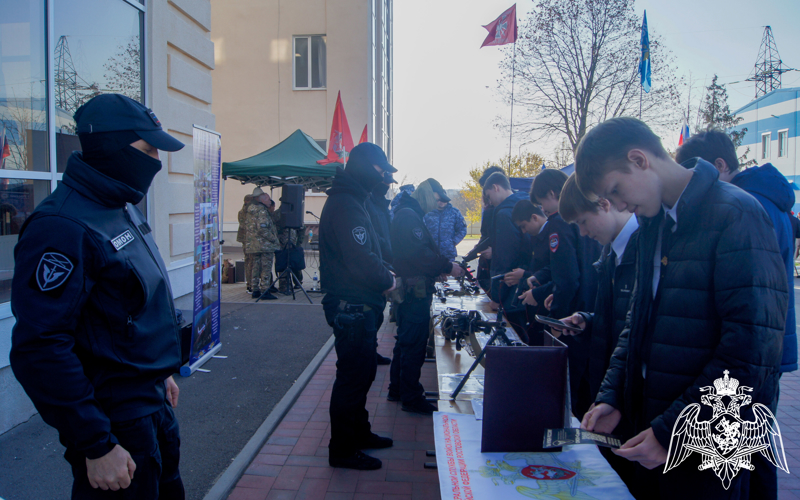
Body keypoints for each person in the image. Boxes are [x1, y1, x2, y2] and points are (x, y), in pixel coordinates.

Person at [576, 117, 787, 498]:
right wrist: (613, 396)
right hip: (657, 435)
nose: (620, 205)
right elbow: (635, 324)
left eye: (616, 190)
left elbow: (751, 353)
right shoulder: (652, 225)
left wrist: (674, 431)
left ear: (639, 159)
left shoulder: (737, 214)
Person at [10, 94, 186, 499]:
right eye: (148, 149)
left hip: (152, 405)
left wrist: (159, 371)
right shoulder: (61, 227)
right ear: (111, 147)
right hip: (114, 425)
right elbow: (40, 347)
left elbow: (131, 303)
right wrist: (95, 444)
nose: (156, 159)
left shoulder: (121, 205)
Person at [676, 130, 797, 376]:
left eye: (695, 174)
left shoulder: (745, 206)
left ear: (720, 165)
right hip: (767, 340)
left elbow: (750, 292)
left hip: (753, 347)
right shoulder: (765, 201)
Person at [550, 175, 639, 484]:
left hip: (628, 396)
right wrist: (588, 320)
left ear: (604, 205)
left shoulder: (643, 248)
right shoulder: (612, 251)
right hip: (610, 385)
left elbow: (637, 329)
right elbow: (616, 318)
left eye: (585, 223)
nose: (584, 233)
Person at [319, 142, 397, 470]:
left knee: (362, 374)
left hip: (358, 305)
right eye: (382, 173)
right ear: (367, 169)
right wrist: (389, 281)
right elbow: (361, 259)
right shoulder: (346, 204)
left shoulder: (353, 200)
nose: (386, 179)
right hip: (352, 306)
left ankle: (358, 433)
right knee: (352, 378)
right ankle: (343, 449)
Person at [388, 187, 464, 414]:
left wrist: (436, 269)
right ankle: (410, 396)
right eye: (438, 200)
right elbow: (420, 254)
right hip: (415, 291)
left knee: (405, 341)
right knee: (413, 343)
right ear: (429, 197)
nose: (438, 205)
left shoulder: (407, 214)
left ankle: (398, 389)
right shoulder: (410, 217)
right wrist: (447, 266)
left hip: (412, 288)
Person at [483, 172, 530, 332]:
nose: (490, 202)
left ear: (496, 187)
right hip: (525, 284)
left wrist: (497, 297)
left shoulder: (503, 214)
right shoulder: (525, 204)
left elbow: (504, 258)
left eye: (489, 196)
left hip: (510, 293)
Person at [365, 174, 395, 365]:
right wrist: (386, 249)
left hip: (386, 260)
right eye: (385, 181)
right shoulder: (368, 202)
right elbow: (373, 234)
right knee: (373, 312)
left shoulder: (382, 204)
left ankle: (371, 351)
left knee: (378, 311)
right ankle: (367, 354)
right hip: (376, 262)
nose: (388, 185)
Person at [245, 187, 279, 300]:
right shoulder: (262, 211)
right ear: (262, 200)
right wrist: (273, 239)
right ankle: (265, 290)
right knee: (265, 268)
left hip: (253, 244)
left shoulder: (250, 209)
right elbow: (262, 229)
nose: (270, 202)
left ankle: (255, 289)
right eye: (268, 200)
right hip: (265, 245)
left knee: (255, 267)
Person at [423, 178, 468, 261]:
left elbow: (462, 229)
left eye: (444, 200)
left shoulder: (454, 212)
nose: (442, 202)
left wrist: (452, 242)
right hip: (432, 253)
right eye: (439, 200)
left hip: (448, 254)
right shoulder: (428, 213)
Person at [237, 194, 254, 291]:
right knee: (250, 262)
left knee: (249, 262)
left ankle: (250, 283)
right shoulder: (245, 212)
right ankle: (250, 283)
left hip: (247, 240)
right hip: (248, 240)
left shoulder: (243, 211)